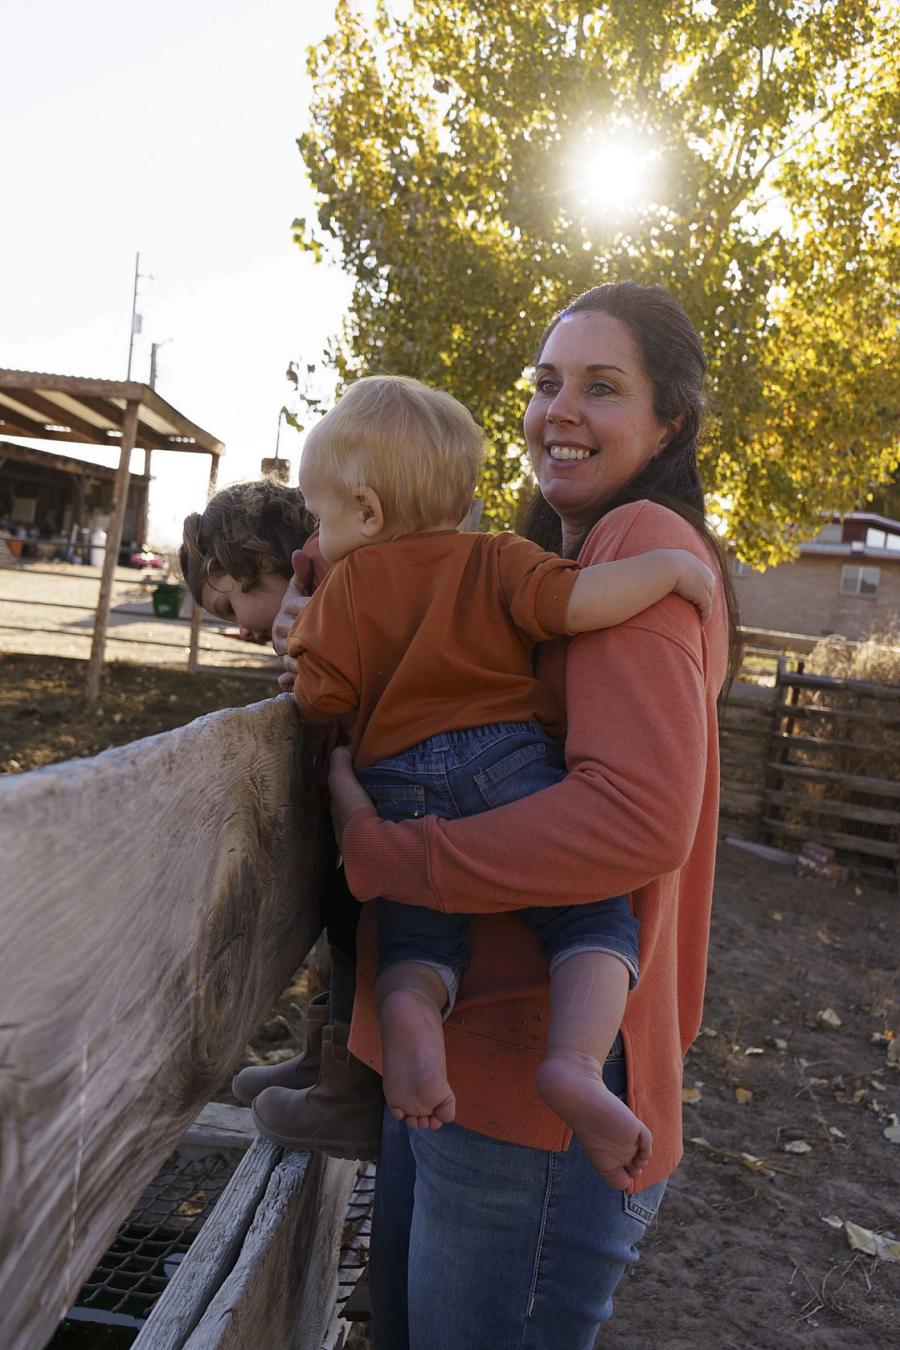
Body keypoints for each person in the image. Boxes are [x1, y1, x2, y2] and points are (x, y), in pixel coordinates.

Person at [295, 281, 739, 1348]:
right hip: (472, 1071)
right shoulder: (550, 561)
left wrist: (392, 853)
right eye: (546, 384)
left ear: (669, 422)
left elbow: (635, 823)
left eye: (602, 386)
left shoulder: (637, 537)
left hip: (528, 1109)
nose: (559, 411)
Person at [265, 372, 714, 1194]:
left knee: (416, 940)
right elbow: (579, 605)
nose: (320, 538)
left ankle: (410, 1011)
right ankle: (576, 1063)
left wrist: (301, 650)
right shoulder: (500, 556)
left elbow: (319, 698)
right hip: (506, 765)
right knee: (590, 918)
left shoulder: (349, 589)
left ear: (365, 511)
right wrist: (669, 574)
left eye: (322, 519)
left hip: (395, 783)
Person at [179, 478, 385, 1158]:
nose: (238, 627)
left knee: (360, 918)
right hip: (380, 791)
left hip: (400, 796)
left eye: (232, 601)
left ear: (267, 564)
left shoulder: (340, 596)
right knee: (340, 908)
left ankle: (348, 1090)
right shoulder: (327, 599)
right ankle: (324, 1060)